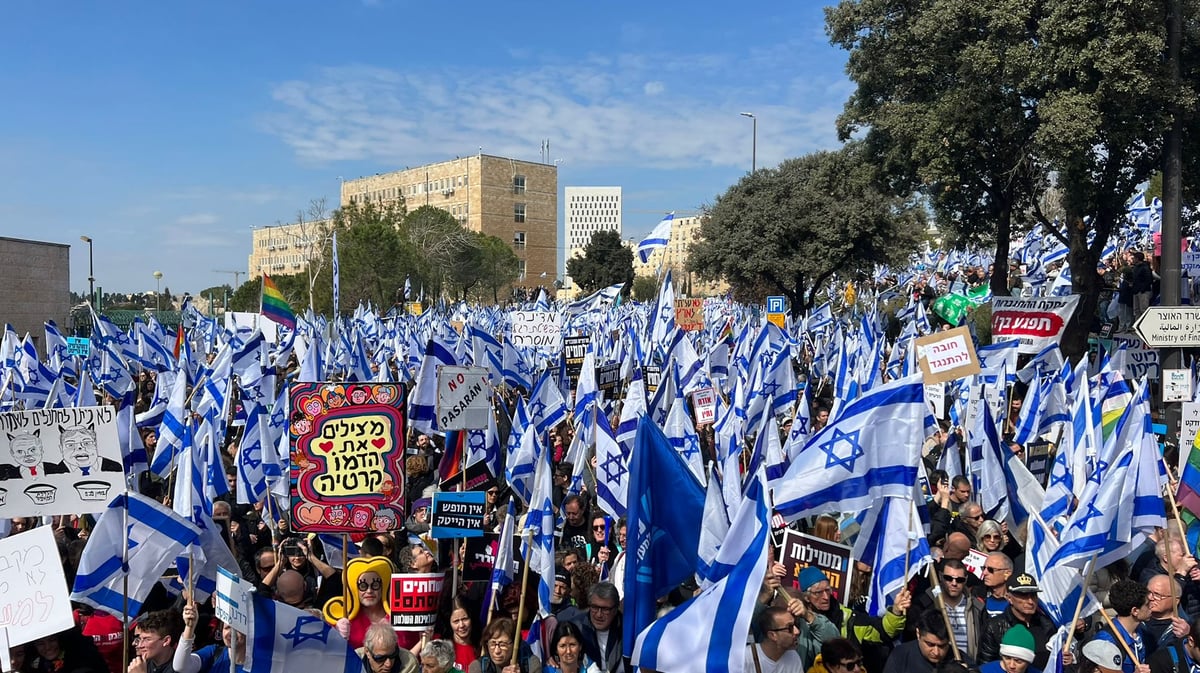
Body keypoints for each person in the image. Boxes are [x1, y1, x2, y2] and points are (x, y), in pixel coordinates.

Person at [905, 560, 984, 663]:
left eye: (959, 580)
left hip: (965, 666)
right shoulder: (924, 604)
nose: (954, 583)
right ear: (940, 576)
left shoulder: (977, 607)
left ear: (966, 580)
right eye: (948, 578)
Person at [979, 573, 1055, 671]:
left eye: (1033, 595)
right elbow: (986, 666)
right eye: (1023, 595)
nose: (1030, 601)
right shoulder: (994, 626)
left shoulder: (1047, 624)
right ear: (1009, 598)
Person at [323, 555, 394, 649]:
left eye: (375, 585)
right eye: (363, 586)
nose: (369, 591)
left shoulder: (399, 615)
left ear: (383, 587)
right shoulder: (343, 617)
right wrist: (336, 635)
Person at [556, 582, 623, 673]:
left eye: (605, 609)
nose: (599, 614)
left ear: (615, 610)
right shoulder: (575, 627)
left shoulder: (627, 630)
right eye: (595, 607)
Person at [1089, 579, 1153, 673]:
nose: (1152, 606)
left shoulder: (1140, 630)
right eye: (1147, 604)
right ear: (1135, 611)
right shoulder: (1107, 641)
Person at [174, 601, 246, 673]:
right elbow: (181, 667)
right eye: (227, 628)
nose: (231, 633)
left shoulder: (256, 666)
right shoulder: (214, 652)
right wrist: (189, 627)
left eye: (237, 629)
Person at [882, 610, 949, 673]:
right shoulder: (900, 656)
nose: (936, 652)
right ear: (918, 634)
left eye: (942, 646)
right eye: (930, 644)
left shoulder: (956, 658)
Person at [467, 617, 542, 673]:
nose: (497, 651)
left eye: (503, 645)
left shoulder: (531, 664)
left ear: (515, 644)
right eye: (492, 644)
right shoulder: (478, 667)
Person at [745, 606, 803, 673]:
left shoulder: (793, 657)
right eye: (790, 628)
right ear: (772, 635)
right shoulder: (746, 658)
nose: (797, 631)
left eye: (796, 625)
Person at [130, 609, 185, 673]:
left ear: (166, 641)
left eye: (147, 639)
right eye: (139, 639)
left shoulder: (182, 668)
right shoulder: (141, 664)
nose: (140, 645)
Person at [973, 553, 1014, 619]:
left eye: (990, 570)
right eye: (983, 568)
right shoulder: (976, 596)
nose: (984, 573)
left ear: (1007, 573)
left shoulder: (1018, 600)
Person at [444, 595, 480, 670]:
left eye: (465, 619)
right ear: (449, 623)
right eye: (456, 621)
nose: (461, 625)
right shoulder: (443, 648)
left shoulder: (482, 646)